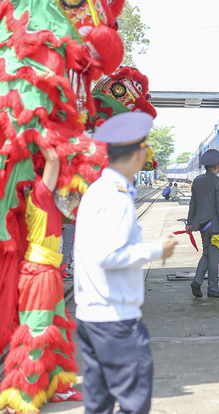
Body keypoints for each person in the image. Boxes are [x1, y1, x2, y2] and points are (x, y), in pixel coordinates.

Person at [73, 112, 177, 414]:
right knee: (133, 402)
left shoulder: (97, 191)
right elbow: (110, 255)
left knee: (99, 403)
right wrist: (158, 250)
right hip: (115, 320)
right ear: (137, 153)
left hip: (92, 315)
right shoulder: (116, 197)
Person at [0, 146, 83, 414]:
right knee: (36, 333)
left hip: (50, 273)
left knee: (58, 329)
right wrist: (43, 128)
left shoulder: (52, 198)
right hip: (38, 276)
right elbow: (54, 158)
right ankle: (21, 395)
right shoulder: (42, 194)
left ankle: (57, 385)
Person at [186, 148, 219, 299]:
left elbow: (193, 203)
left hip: (202, 225)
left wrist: (189, 222)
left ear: (205, 167)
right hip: (215, 225)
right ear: (218, 167)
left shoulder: (197, 180)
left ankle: (197, 282)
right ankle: (213, 289)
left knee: (206, 253)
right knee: (214, 257)